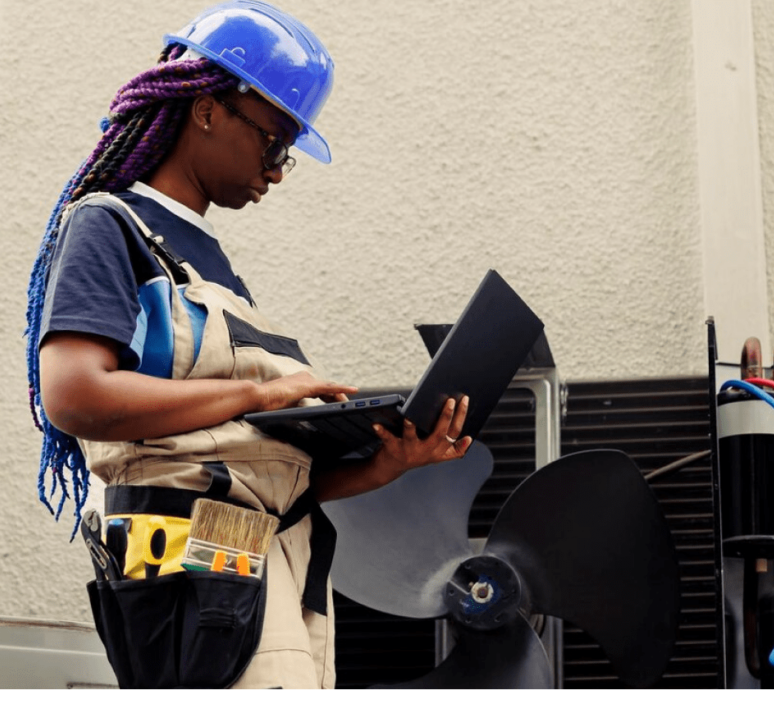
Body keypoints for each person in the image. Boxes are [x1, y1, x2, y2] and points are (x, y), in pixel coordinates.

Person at [25, 0, 471, 689]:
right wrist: (264, 392)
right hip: (197, 561)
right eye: (273, 141)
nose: (279, 170)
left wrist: (384, 467)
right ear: (207, 109)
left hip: (269, 563)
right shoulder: (109, 226)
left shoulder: (213, 268)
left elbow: (253, 480)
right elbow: (74, 395)